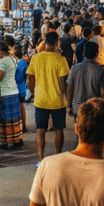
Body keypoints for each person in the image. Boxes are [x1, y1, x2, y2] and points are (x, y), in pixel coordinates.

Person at [28, 31, 71, 163]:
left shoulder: (35, 58)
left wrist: (33, 92)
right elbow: (64, 81)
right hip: (57, 100)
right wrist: (66, 97)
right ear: (57, 43)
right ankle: (58, 157)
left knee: (40, 130)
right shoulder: (61, 59)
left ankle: (41, 159)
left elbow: (30, 79)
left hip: (40, 100)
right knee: (59, 129)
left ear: (45, 42)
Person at [66, 41, 104, 117]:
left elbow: (69, 89)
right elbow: (103, 93)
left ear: (84, 53)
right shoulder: (100, 70)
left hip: (77, 108)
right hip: (93, 108)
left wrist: (69, 105)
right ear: (97, 53)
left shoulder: (74, 68)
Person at [0, 41, 24, 149]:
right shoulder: (12, 58)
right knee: (15, 119)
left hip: (5, 92)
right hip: (14, 90)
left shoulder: (3, 61)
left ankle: (6, 142)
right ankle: (17, 139)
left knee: (5, 119)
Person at [14, 44, 30, 132]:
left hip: (17, 88)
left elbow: (18, 77)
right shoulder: (23, 62)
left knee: (18, 107)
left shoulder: (17, 63)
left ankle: (21, 126)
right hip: (22, 88)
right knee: (21, 106)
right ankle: (23, 125)